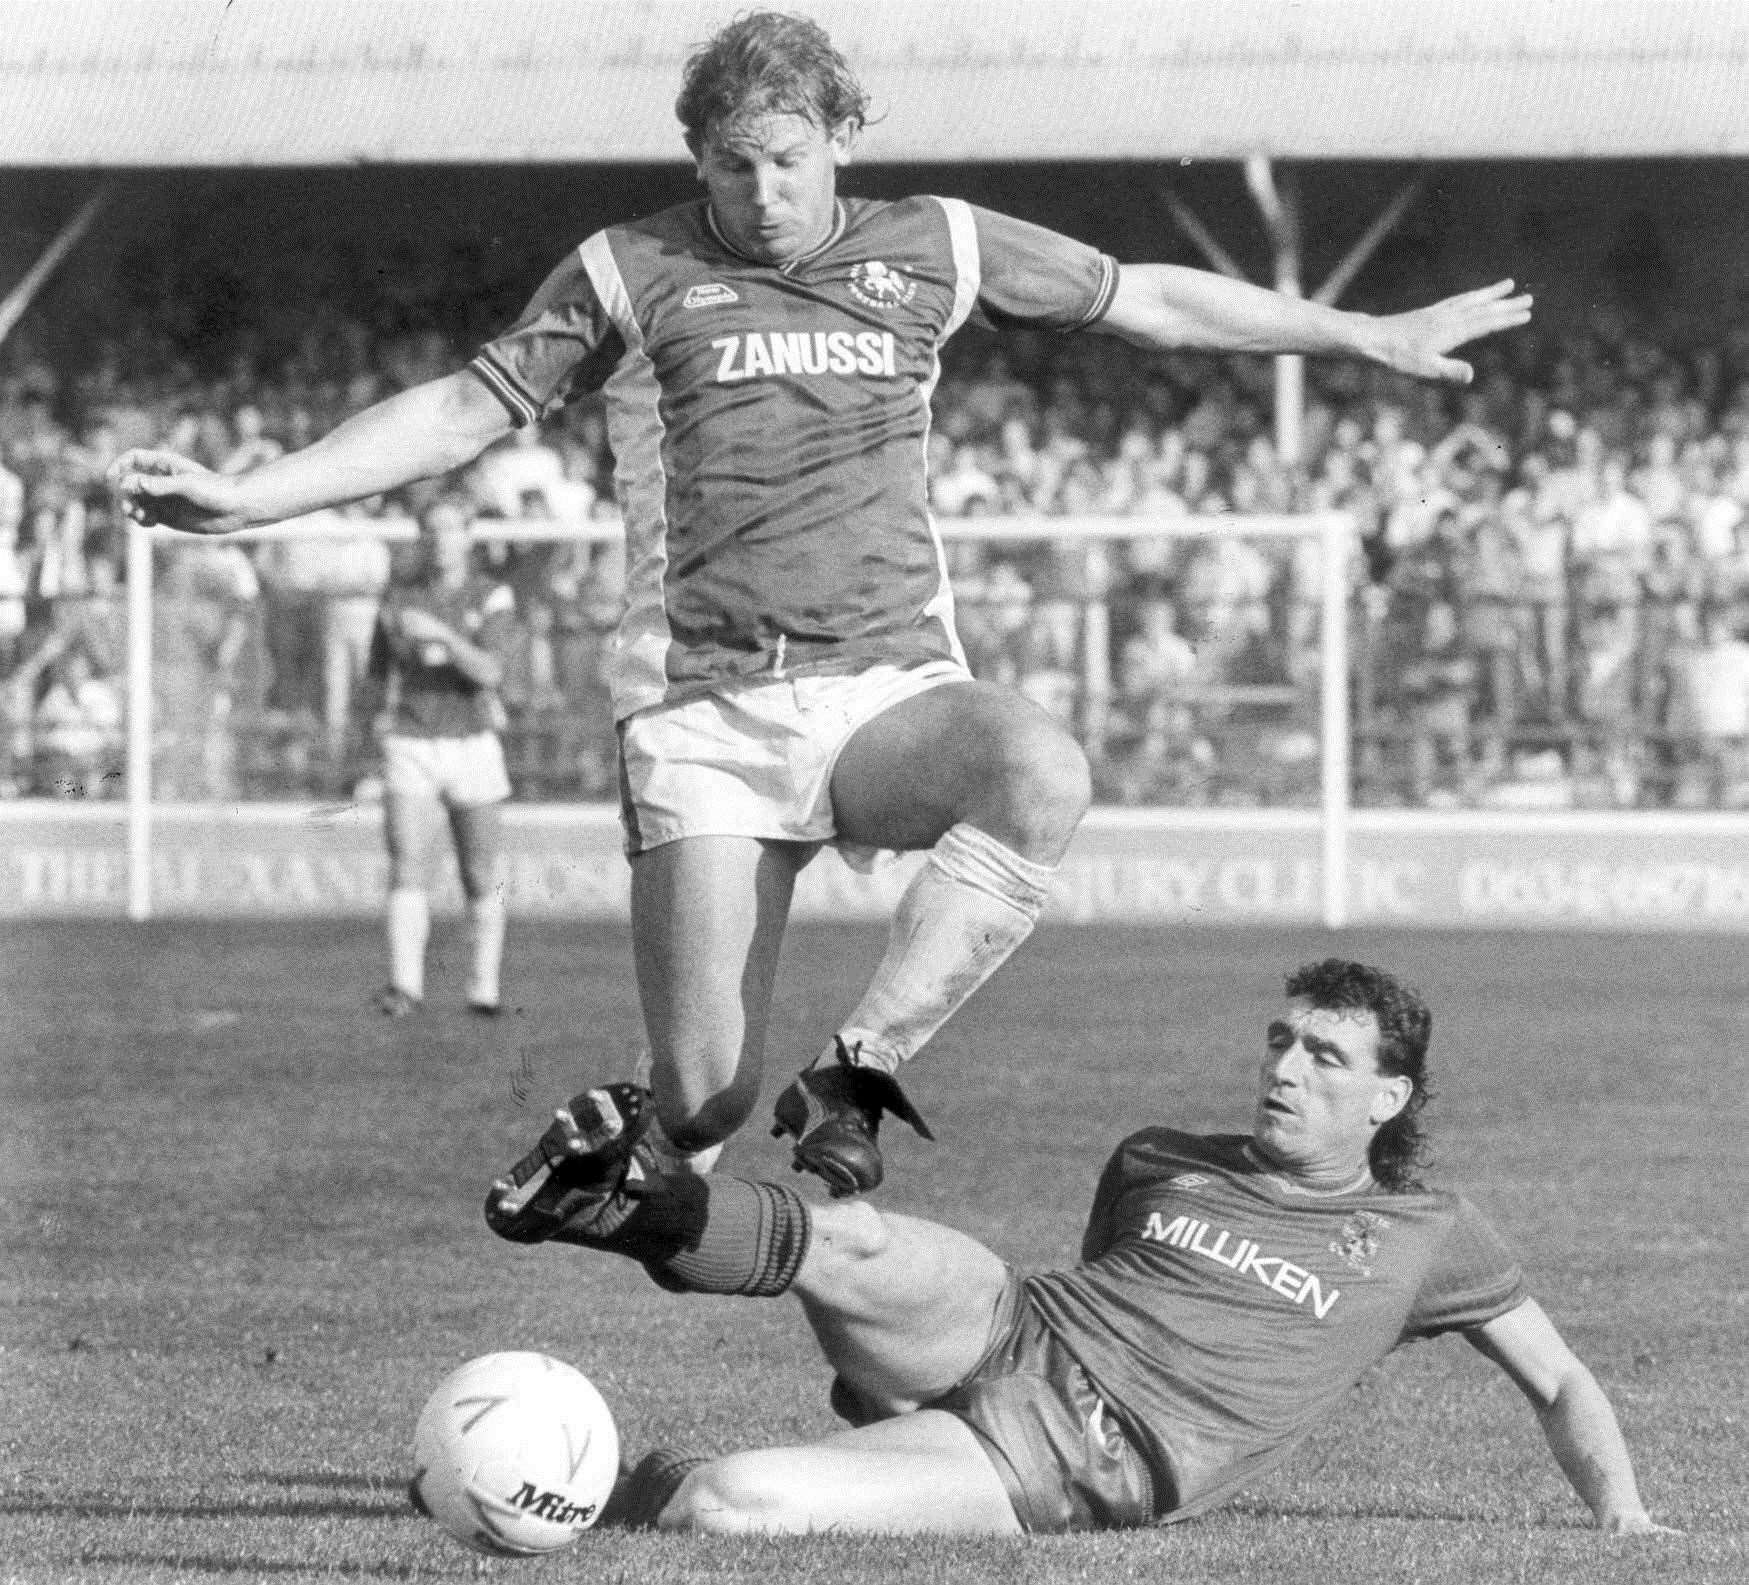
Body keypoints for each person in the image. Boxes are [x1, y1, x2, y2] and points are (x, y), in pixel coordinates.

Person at [109, 12, 1532, 1193]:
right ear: (697, 158)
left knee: (1039, 768)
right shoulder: (628, 269)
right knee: (706, 1103)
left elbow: (1143, 297)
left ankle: (861, 1067)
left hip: (884, 689)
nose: (765, 195)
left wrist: (1359, 330)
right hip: (703, 714)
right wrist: (252, 495)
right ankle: (620, 1158)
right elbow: (464, 409)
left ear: (842, 138)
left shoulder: (939, 246)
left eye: (789, 161)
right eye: (734, 168)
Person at [477, 959, 1673, 1541]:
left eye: (1324, 1057)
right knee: (851, 1236)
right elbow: (1095, 1279)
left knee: (738, 1503)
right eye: (1281, 1041)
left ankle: (634, 1489)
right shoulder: (1157, 1152)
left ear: (1388, 1097)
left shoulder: (1431, 1235)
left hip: (1093, 1449)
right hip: (1021, 1325)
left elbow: (1561, 1377)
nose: (1284, 1068)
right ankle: (616, 1198)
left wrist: (1622, 1517)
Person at [361, 494, 516, 1016]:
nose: (439, 540)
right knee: (407, 859)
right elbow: (377, 673)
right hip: (412, 739)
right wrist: (373, 725)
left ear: (468, 535)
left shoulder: (491, 595)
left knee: (479, 869)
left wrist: (446, 638)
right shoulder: (399, 596)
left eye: (450, 529)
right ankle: (405, 987)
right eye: (431, 530)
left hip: (472, 741)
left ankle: (484, 989)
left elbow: (492, 672)